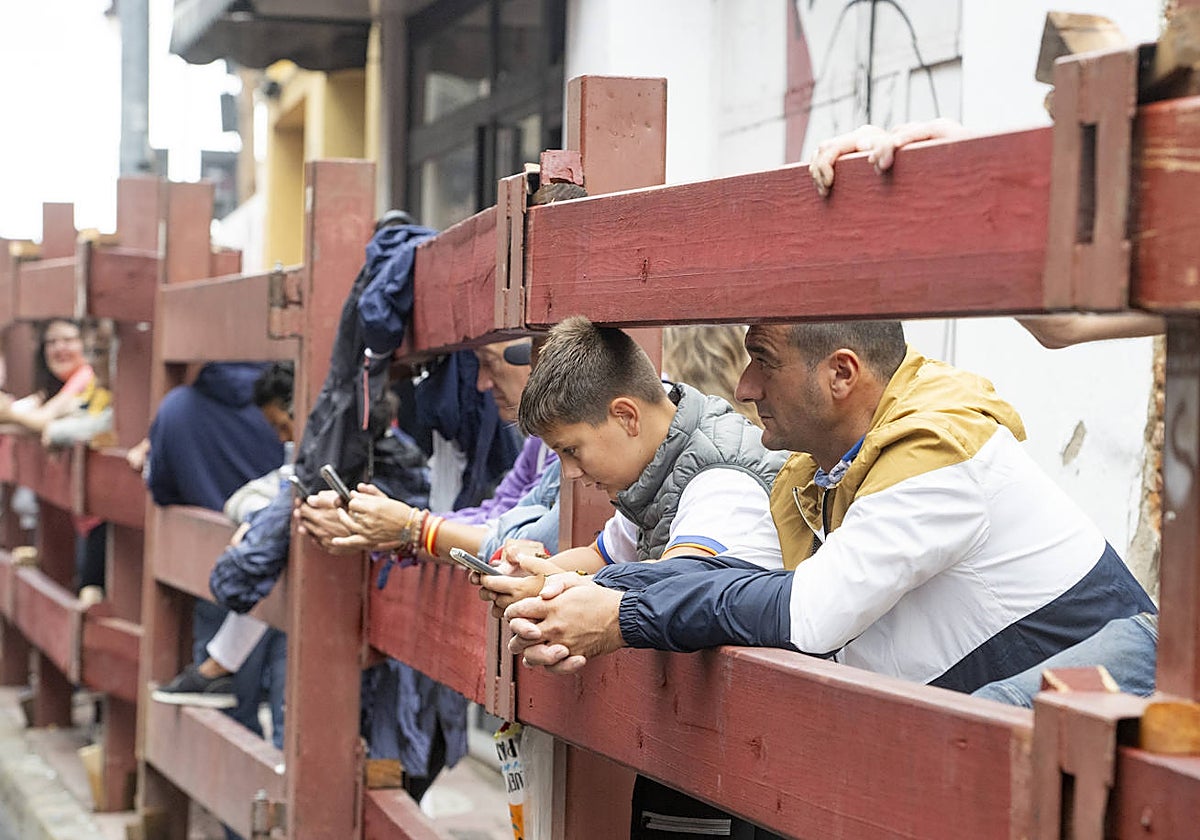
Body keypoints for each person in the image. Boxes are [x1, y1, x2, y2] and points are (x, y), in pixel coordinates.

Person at [498, 321, 1155, 705]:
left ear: (841, 374)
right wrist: (587, 591)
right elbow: (747, 585)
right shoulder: (832, 464)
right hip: (1002, 728)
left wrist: (616, 612)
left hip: (1091, 728)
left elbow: (806, 615)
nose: (744, 388)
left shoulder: (936, 456)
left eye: (764, 362)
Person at [479, 315, 785, 609]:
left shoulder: (722, 479)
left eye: (571, 449)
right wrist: (531, 573)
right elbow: (602, 558)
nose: (569, 472)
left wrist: (550, 584)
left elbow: (676, 582)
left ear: (626, 417)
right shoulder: (658, 464)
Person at [151, 362, 296, 711]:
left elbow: (161, 487)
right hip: (286, 562)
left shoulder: (177, 407)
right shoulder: (291, 398)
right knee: (287, 698)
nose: (282, 436)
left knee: (225, 704)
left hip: (226, 563)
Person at [0, 319, 113, 594]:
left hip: (102, 511)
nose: (59, 348)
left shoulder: (85, 377)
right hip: (87, 512)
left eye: (68, 340)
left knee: (91, 589)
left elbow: (49, 422)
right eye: (51, 342)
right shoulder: (78, 384)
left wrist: (11, 414)